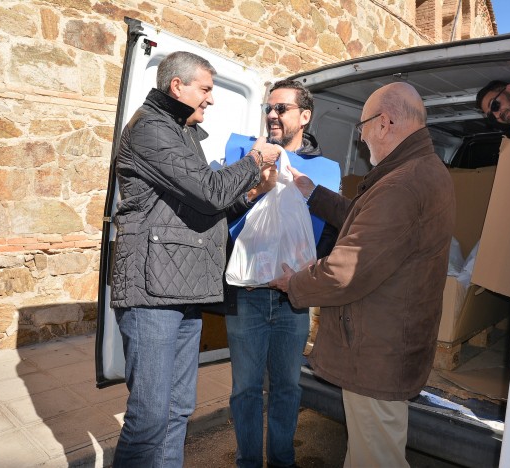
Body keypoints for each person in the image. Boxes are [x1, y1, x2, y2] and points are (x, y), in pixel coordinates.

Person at [270, 82, 456, 467]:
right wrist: (313, 192)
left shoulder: (402, 183)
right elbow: (368, 221)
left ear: (384, 123)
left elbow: (346, 271)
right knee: (369, 453)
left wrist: (295, 282)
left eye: (363, 126)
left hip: (378, 351)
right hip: (391, 346)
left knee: (377, 458)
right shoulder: (420, 170)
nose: (361, 135)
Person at [109, 50, 280, 467]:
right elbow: (210, 191)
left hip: (181, 289)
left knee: (177, 409)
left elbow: (207, 209)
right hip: (151, 292)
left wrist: (252, 193)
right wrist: (255, 159)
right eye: (205, 89)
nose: (212, 99)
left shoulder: (180, 132)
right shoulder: (152, 129)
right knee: (149, 416)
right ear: (177, 87)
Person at [225, 79, 337, 468]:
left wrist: (312, 273)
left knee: (288, 386)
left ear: (304, 116)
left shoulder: (324, 170)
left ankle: (283, 460)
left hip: (295, 298)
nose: (272, 115)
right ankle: (248, 462)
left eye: (282, 109)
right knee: (245, 389)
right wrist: (256, 187)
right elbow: (223, 218)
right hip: (249, 295)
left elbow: (332, 231)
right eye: (268, 108)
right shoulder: (246, 155)